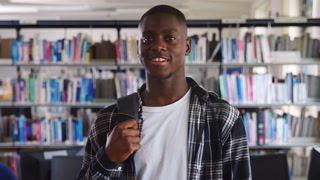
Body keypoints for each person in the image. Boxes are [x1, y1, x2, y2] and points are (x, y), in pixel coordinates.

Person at [78, 4, 251, 180]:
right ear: (138, 48)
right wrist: (108, 159)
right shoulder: (108, 121)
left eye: (169, 38)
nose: (158, 45)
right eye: (147, 39)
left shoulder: (222, 117)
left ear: (187, 47)